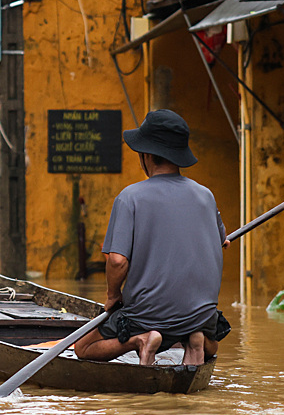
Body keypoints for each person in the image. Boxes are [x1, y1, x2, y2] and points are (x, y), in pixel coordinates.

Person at [75, 109, 231, 366]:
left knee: (83, 347)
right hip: (200, 316)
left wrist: (113, 295)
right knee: (211, 341)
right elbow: (221, 240)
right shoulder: (206, 195)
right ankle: (195, 339)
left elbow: (117, 261)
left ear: (146, 155)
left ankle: (142, 340)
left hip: (146, 317)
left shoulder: (129, 197)